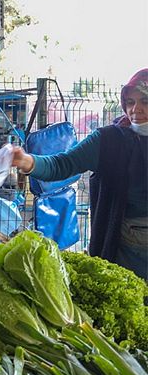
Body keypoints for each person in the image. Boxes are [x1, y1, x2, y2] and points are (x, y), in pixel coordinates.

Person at [12, 68, 148, 280]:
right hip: (125, 244)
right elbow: (62, 164)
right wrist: (27, 161)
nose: (135, 109)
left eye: (145, 102)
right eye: (130, 102)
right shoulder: (108, 140)